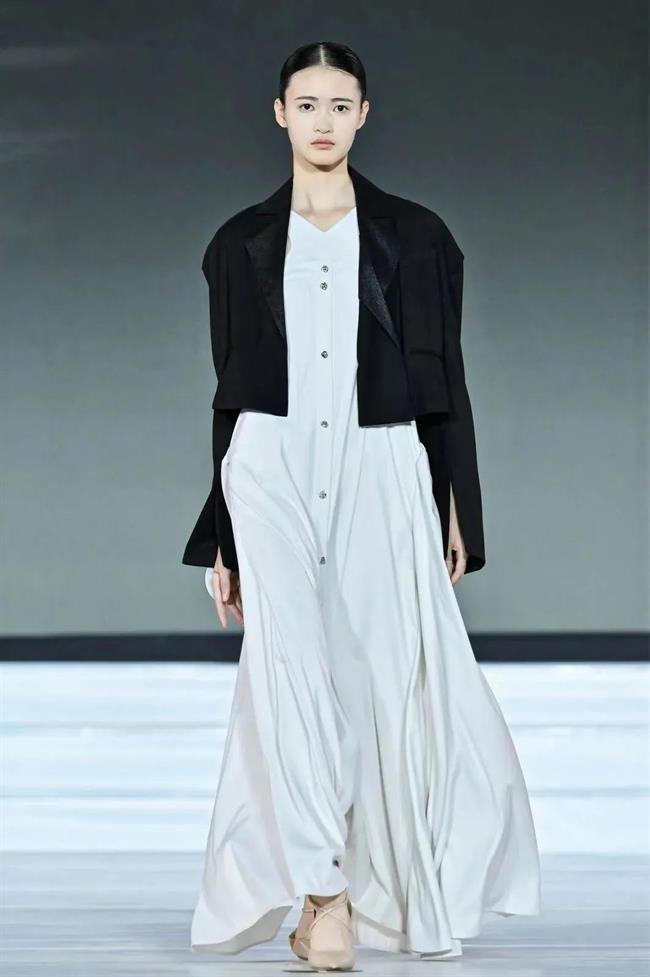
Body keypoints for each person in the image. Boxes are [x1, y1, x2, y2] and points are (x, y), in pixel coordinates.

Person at [182, 40, 541, 972]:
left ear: (364, 115)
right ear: (280, 113)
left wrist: (457, 500)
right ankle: (325, 895)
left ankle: (372, 882)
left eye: (340, 105)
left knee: (387, 677)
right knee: (290, 673)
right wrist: (221, 533)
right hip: (269, 464)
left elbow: (446, 377)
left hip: (381, 457)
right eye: (307, 104)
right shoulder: (237, 243)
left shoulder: (418, 236)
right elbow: (229, 391)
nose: (324, 122)